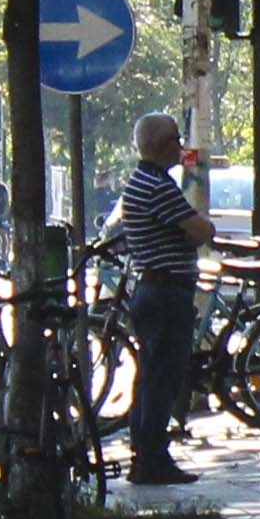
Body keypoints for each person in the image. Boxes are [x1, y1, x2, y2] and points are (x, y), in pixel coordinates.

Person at [101, 113, 208, 485]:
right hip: (166, 292)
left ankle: (144, 455)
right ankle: (153, 459)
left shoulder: (140, 183)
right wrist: (199, 228)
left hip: (153, 288)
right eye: (177, 140)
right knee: (163, 377)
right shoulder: (157, 186)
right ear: (162, 145)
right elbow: (199, 229)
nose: (181, 146)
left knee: (150, 375)